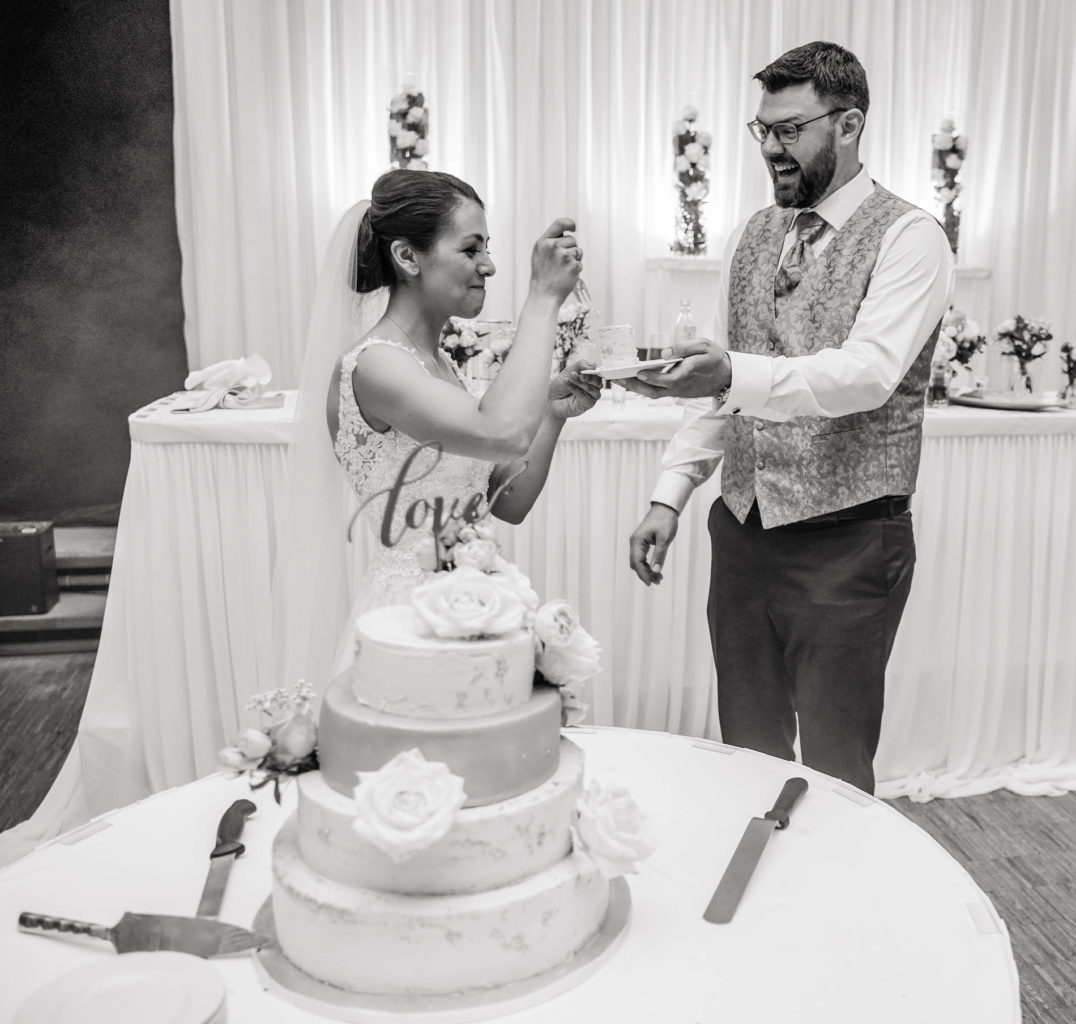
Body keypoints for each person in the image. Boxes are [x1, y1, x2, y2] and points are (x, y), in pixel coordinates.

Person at [624, 42, 954, 794]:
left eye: (790, 129)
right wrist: (668, 495)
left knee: (836, 771)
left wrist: (732, 372)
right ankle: (762, 902)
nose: (771, 149)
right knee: (746, 754)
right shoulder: (749, 236)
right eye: (762, 130)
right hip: (740, 534)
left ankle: (842, 907)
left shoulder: (910, 238)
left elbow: (867, 375)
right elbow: (724, 388)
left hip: (849, 542)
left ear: (849, 125)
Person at [275, 169, 600, 690]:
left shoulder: (441, 364)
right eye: (471, 249)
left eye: (487, 248)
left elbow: (505, 501)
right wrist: (542, 296)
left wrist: (552, 415)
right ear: (408, 258)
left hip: (477, 607)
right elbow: (500, 432)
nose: (489, 265)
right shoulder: (376, 365)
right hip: (410, 619)